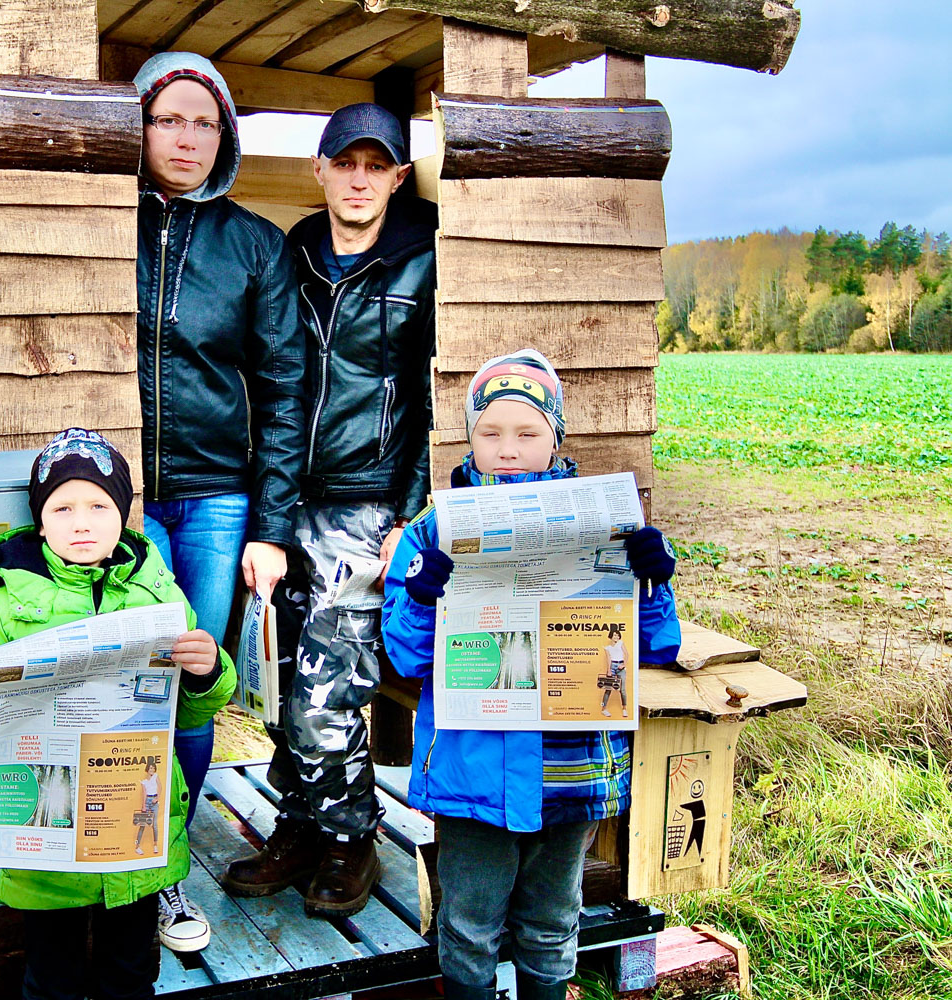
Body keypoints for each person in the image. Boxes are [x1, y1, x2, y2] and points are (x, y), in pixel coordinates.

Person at [381, 350, 681, 1000]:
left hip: (571, 772)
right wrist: (423, 596)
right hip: (473, 777)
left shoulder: (607, 526)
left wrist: (653, 582)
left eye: (528, 433)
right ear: (469, 437)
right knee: (467, 928)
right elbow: (404, 658)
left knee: (552, 925)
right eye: (490, 433)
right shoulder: (432, 534)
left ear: (556, 437)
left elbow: (657, 648)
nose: (508, 449)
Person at [221, 103, 436, 918]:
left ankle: (352, 837)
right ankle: (303, 826)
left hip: (368, 502)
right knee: (278, 677)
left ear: (397, 178)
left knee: (327, 687)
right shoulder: (293, 256)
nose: (358, 179)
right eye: (345, 163)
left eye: (375, 166)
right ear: (319, 169)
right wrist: (269, 521)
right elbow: (274, 387)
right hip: (285, 496)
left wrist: (407, 517)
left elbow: (430, 398)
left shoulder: (424, 261)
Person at [0, 428, 236, 997]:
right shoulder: (4, 606)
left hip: (137, 833)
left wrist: (207, 669)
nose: (81, 522)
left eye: (99, 506)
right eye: (62, 507)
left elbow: (192, 708)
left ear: (122, 517)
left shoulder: (159, 595)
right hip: (47, 851)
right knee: (53, 981)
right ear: (39, 521)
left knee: (131, 975)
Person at [133, 51, 307, 947]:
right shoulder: (100, 225)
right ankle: (108, 855)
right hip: (117, 500)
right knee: (127, 681)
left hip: (214, 502)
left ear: (227, 136)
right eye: (171, 118)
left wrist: (271, 526)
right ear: (141, 123)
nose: (188, 138)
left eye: (207, 122)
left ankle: (163, 869)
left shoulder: (255, 245)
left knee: (193, 681)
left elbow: (284, 393)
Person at [601, 626, 628, 718]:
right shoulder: (607, 648)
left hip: (620, 666)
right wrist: (608, 670)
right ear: (611, 636)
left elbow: (626, 654)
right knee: (608, 689)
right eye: (614, 635)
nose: (616, 637)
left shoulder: (621, 643)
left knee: (623, 690)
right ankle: (603, 709)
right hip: (612, 666)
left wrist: (624, 664)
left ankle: (624, 709)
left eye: (618, 635)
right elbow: (608, 659)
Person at [136, 761, 162, 855]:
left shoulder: (156, 776)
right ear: (147, 769)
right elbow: (144, 794)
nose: (152, 770)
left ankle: (155, 844)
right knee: (142, 824)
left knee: (154, 825)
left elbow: (160, 787)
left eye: (153, 768)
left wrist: (157, 798)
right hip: (147, 801)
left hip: (154, 801)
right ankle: (137, 846)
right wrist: (143, 806)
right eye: (150, 768)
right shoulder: (144, 782)